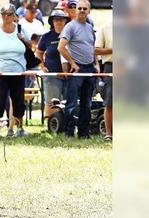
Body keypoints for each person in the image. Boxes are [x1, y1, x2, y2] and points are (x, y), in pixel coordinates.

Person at [0, 4, 29, 138]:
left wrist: (23, 39)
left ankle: (20, 128)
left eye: (9, 14)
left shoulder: (20, 29)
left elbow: (30, 46)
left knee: (18, 100)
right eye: (3, 14)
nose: (6, 17)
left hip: (18, 72)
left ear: (14, 15)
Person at [58, 0, 97, 138]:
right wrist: (72, 63)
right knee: (72, 104)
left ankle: (84, 133)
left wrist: (96, 64)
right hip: (77, 70)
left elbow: (92, 48)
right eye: (79, 8)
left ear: (89, 11)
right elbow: (61, 47)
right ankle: (68, 133)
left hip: (90, 69)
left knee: (87, 104)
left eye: (84, 8)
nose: (81, 10)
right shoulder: (70, 26)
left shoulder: (90, 27)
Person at [36, 9, 70, 118]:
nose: (59, 22)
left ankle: (67, 123)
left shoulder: (71, 35)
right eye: (56, 20)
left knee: (69, 100)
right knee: (51, 101)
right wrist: (42, 66)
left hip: (69, 74)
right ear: (52, 22)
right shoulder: (46, 36)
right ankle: (51, 125)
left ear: (65, 21)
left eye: (61, 20)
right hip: (52, 75)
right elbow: (39, 52)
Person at [94, 22, 112, 141]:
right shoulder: (105, 28)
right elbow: (96, 50)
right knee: (110, 101)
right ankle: (109, 133)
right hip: (111, 66)